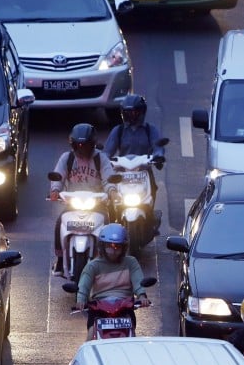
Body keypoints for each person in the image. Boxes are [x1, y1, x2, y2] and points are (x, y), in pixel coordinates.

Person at [50, 123, 118, 274]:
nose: (81, 148)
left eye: (85, 145)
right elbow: (58, 177)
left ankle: (108, 259)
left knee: (109, 226)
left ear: (92, 144)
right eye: (78, 145)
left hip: (98, 204)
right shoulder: (66, 158)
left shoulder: (101, 158)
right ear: (73, 144)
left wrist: (112, 191)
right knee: (59, 223)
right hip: (73, 203)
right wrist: (55, 190)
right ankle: (60, 260)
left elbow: (108, 178)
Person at [72, 224, 150, 341]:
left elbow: (138, 281)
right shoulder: (93, 266)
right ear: (102, 246)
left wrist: (142, 296)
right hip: (99, 309)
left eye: (117, 247)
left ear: (124, 248)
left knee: (132, 338)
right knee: (90, 336)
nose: (113, 251)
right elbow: (84, 285)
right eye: (109, 246)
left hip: (125, 307)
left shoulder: (131, 262)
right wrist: (80, 300)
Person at [105, 93, 165, 213]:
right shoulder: (118, 131)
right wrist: (104, 161)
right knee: (110, 200)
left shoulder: (150, 129)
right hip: (122, 174)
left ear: (141, 112)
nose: (130, 116)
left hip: (144, 172)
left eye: (134, 112)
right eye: (127, 113)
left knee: (152, 190)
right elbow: (107, 152)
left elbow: (157, 147)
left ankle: (150, 219)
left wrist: (158, 157)